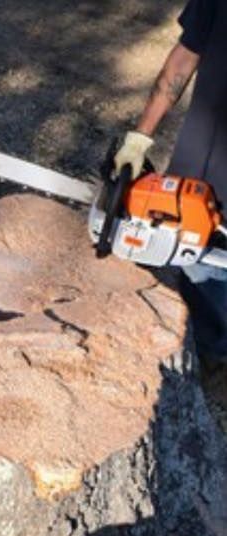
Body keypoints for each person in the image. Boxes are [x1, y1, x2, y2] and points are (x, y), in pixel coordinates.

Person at [114, 0, 227, 361]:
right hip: (202, 169)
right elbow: (185, 56)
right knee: (194, 275)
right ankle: (206, 357)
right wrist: (140, 137)